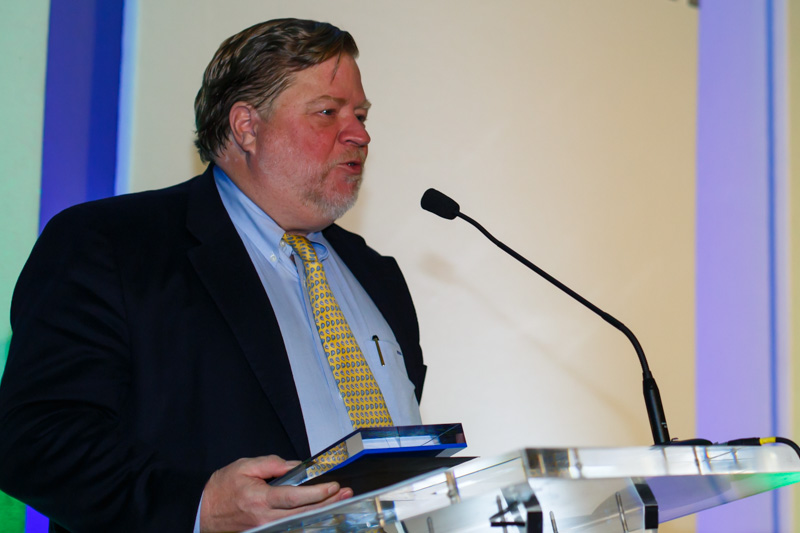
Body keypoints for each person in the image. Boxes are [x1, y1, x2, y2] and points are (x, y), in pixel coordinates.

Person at [0, 18, 426, 533]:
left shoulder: (377, 275)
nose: (360, 134)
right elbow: (36, 438)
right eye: (327, 112)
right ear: (246, 126)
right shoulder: (111, 245)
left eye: (360, 114)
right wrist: (197, 508)